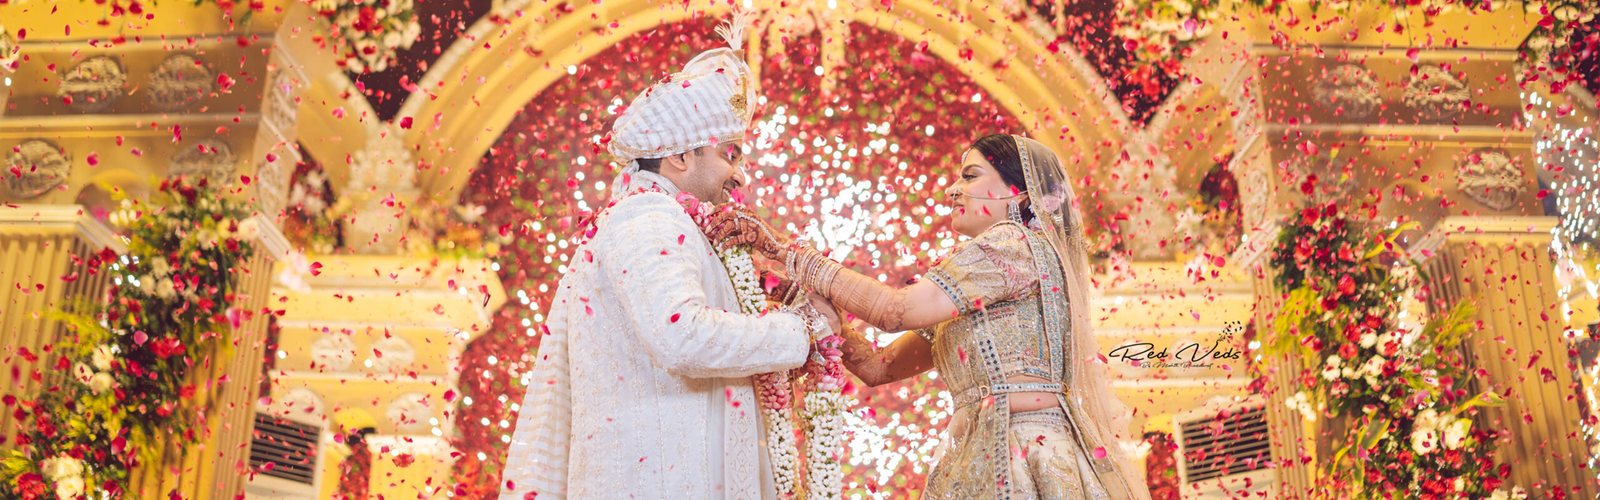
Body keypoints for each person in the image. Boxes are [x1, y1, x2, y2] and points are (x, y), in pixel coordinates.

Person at [498, 15, 841, 500]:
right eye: (730, 155)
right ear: (679, 156)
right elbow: (682, 335)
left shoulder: (669, 221)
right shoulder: (646, 217)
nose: (740, 175)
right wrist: (800, 331)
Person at [707, 134, 1152, 500]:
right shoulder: (976, 282)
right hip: (982, 449)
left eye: (970, 175)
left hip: (1025, 453)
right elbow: (878, 367)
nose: (952, 189)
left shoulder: (1014, 243)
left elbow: (895, 311)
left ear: (1016, 192)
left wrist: (784, 251)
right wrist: (803, 298)